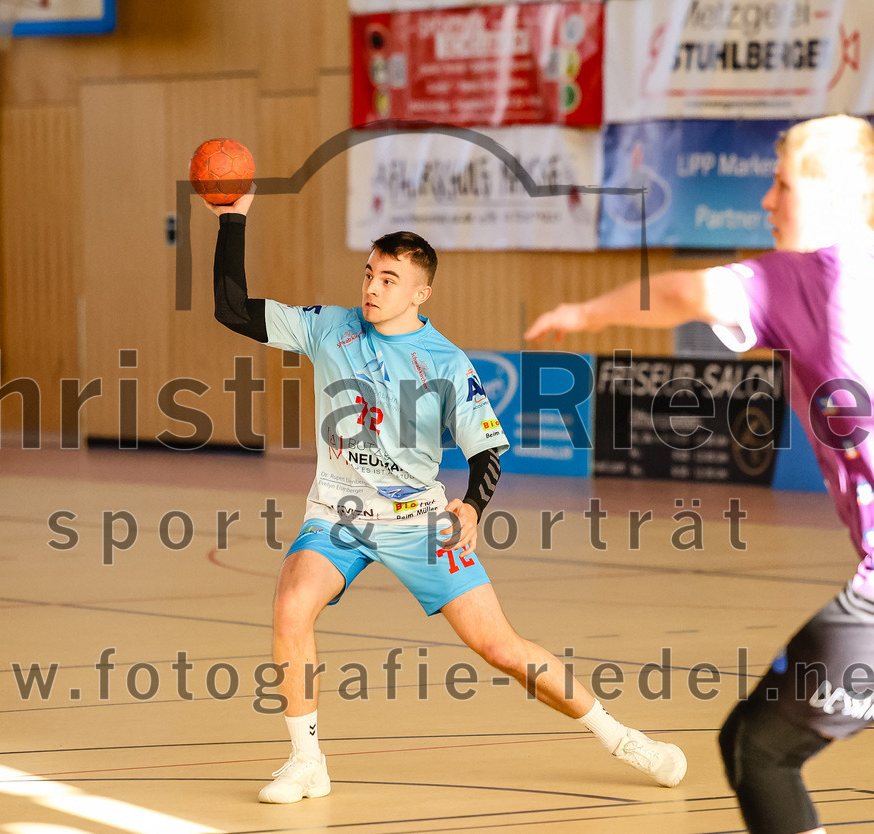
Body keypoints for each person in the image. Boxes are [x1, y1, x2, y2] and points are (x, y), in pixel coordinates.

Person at [207, 188, 687, 803]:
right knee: (292, 606)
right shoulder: (329, 327)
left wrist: (473, 507)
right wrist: (233, 219)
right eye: (369, 274)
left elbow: (488, 450)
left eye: (389, 279)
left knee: (501, 648)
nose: (372, 288)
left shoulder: (446, 362)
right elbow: (231, 308)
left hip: (418, 520)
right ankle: (307, 762)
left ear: (420, 293)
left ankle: (624, 739)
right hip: (338, 514)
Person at [526, 114, 874, 834]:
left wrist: (587, 311)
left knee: (756, 749)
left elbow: (683, 294)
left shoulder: (807, 277)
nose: (767, 200)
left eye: (782, 184)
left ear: (832, 195)